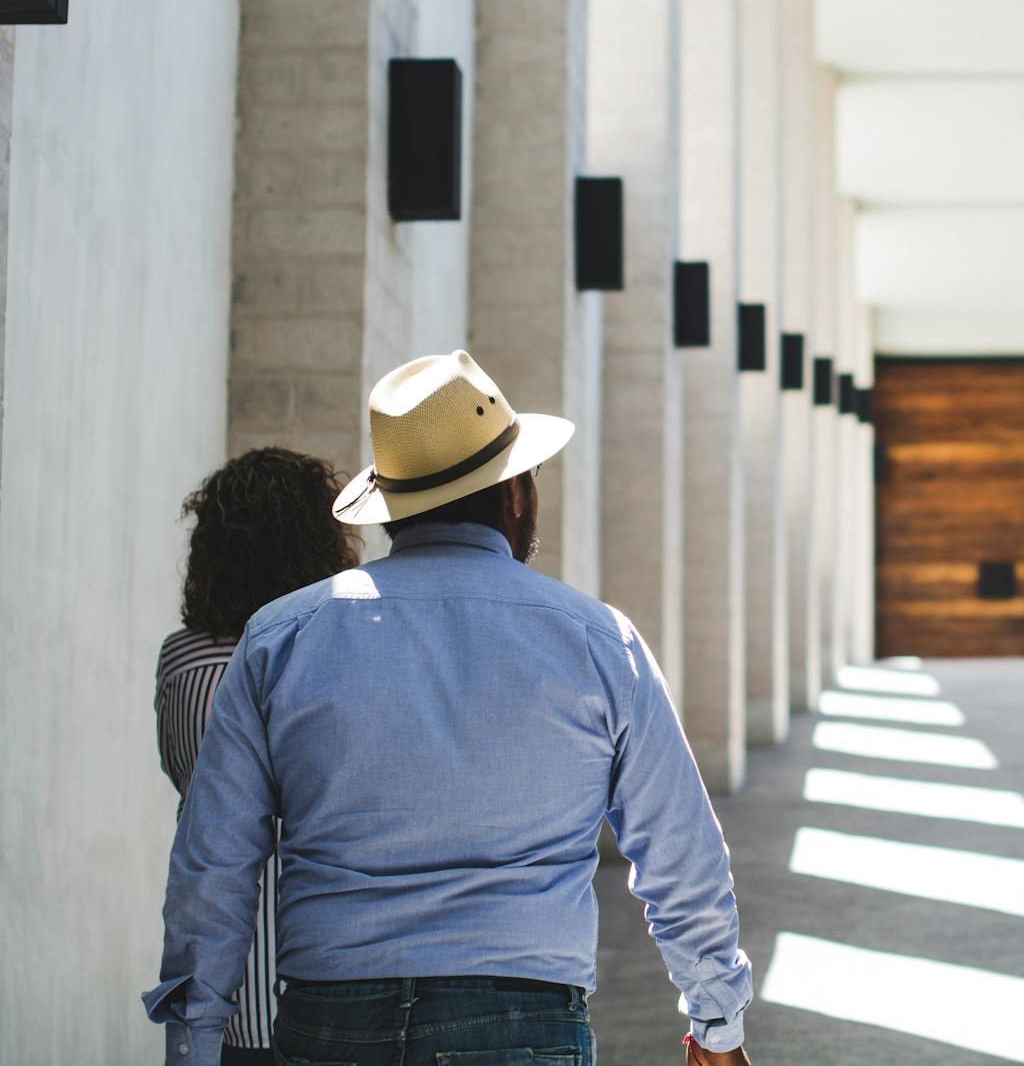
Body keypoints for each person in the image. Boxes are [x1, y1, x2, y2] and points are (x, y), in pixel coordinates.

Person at [144, 350, 755, 1066]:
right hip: (525, 1020)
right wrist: (717, 1025)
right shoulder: (598, 641)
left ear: (391, 505)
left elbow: (212, 863)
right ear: (517, 494)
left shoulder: (283, 637)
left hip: (331, 1020)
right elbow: (681, 851)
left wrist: (194, 1044)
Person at [157, 448, 359, 1065]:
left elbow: (188, 787)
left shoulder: (183, 661)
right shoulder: (335, 657)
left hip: (224, 991)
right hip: (327, 980)